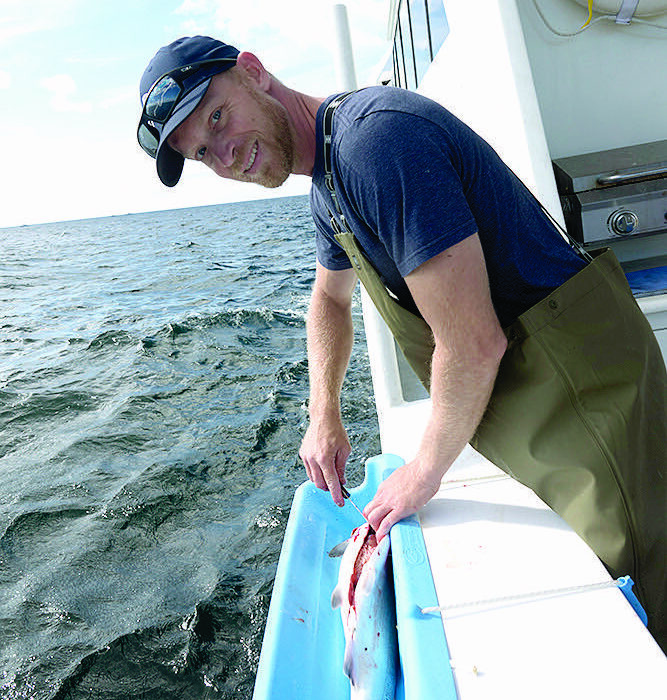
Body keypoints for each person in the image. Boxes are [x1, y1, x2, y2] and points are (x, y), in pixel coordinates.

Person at [137, 36, 666, 647]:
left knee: (643, 578)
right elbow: (330, 299)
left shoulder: (375, 144)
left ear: (253, 72)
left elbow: (471, 344)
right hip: (539, 392)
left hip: (587, 390)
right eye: (202, 151)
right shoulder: (329, 180)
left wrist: (423, 471)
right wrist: (323, 415)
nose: (223, 154)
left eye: (217, 116)